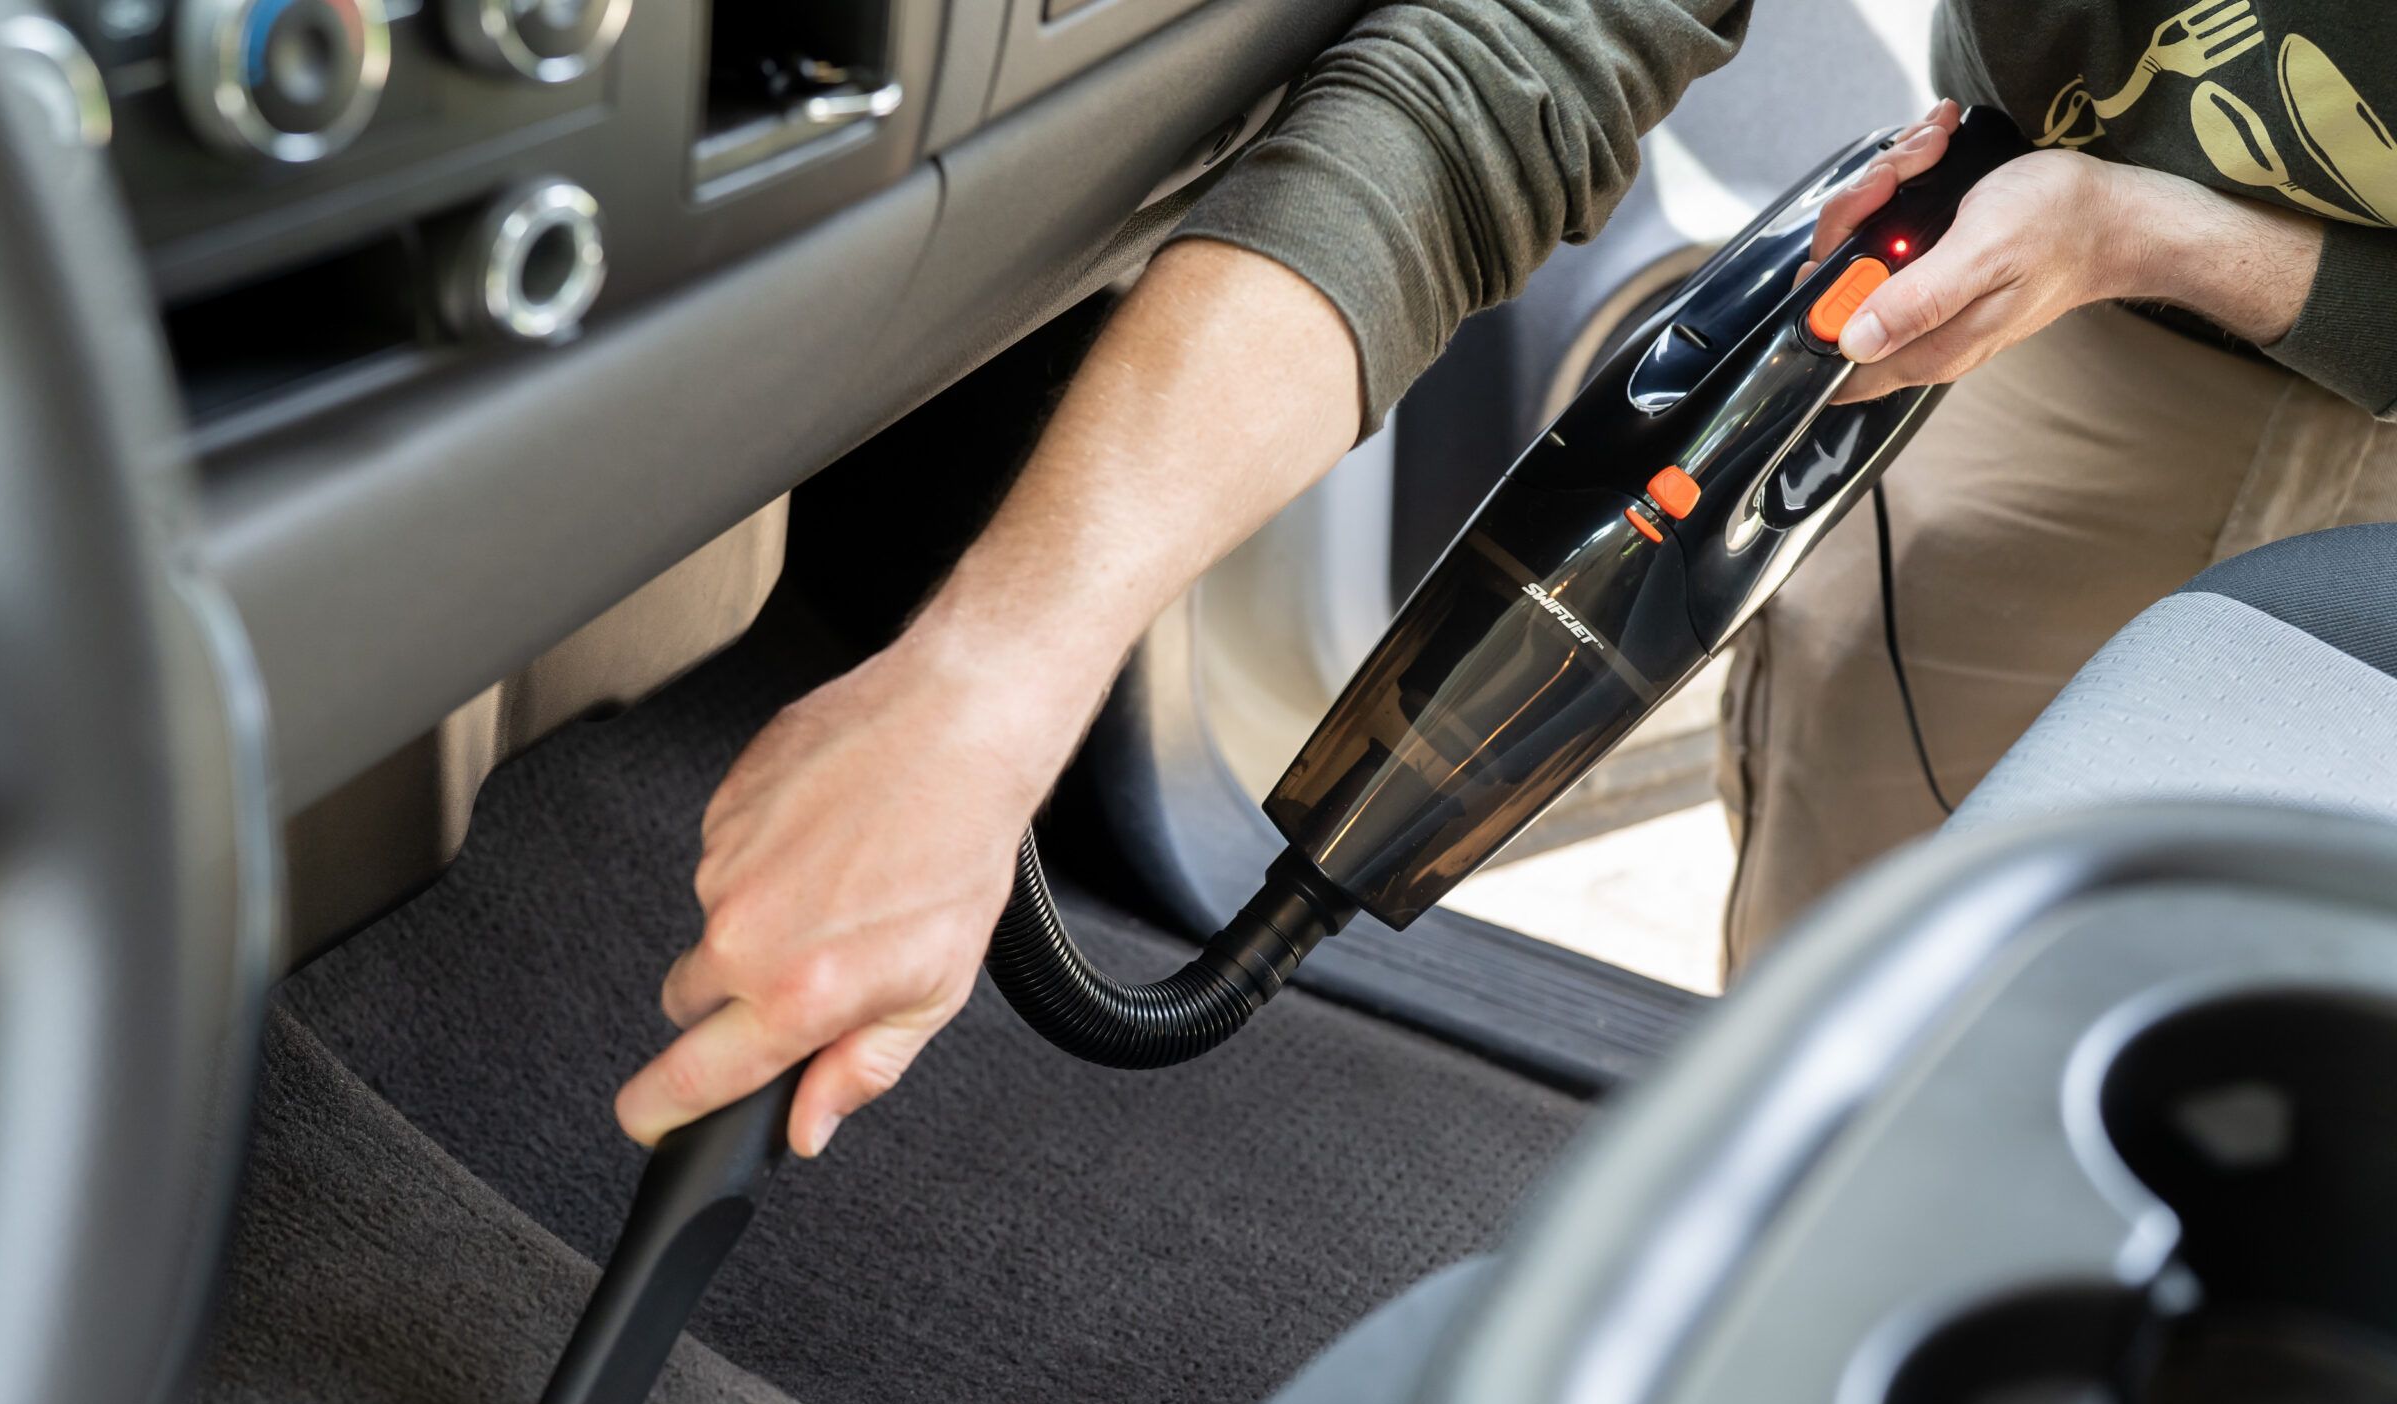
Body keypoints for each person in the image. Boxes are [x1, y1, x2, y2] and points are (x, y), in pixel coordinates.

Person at [613, 1, 2397, 1158]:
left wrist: (2200, 242)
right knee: (1867, 1076)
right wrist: (993, 683)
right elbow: (1516, 54)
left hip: (2193, 275)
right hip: (2054, 288)